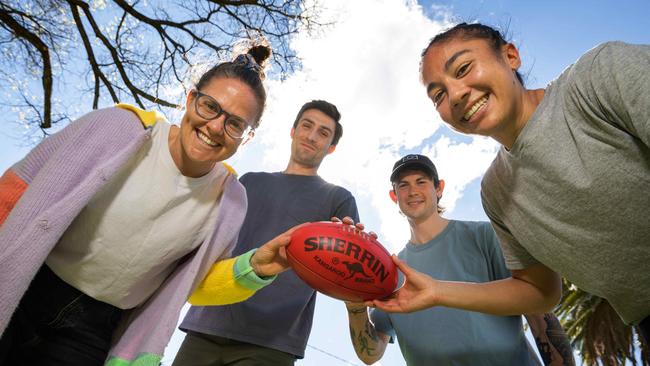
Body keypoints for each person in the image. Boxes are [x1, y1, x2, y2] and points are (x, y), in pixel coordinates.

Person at [0, 45, 296, 366]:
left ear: (246, 138)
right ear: (190, 99)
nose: (214, 127)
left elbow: (193, 286)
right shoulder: (119, 129)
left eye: (235, 124)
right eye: (210, 106)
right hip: (24, 284)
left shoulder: (230, 202)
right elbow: (18, 190)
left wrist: (256, 268)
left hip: (92, 329)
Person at [370, 23, 650, 341]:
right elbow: (538, 290)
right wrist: (436, 291)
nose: (457, 94)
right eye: (439, 95)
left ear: (510, 56)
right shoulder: (496, 192)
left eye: (463, 68)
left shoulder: (597, 77)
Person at [172, 100, 359, 365]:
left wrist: (354, 250)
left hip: (272, 341)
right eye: (307, 126)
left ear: (331, 148)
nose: (312, 136)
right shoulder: (249, 181)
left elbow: (346, 268)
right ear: (293, 131)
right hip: (208, 322)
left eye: (323, 132)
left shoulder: (337, 198)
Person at [346, 154, 574, 366]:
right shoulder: (391, 271)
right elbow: (371, 353)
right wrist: (354, 304)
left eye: (421, 181)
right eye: (403, 185)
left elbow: (539, 312)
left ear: (439, 188)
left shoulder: (485, 237)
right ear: (394, 196)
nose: (412, 191)